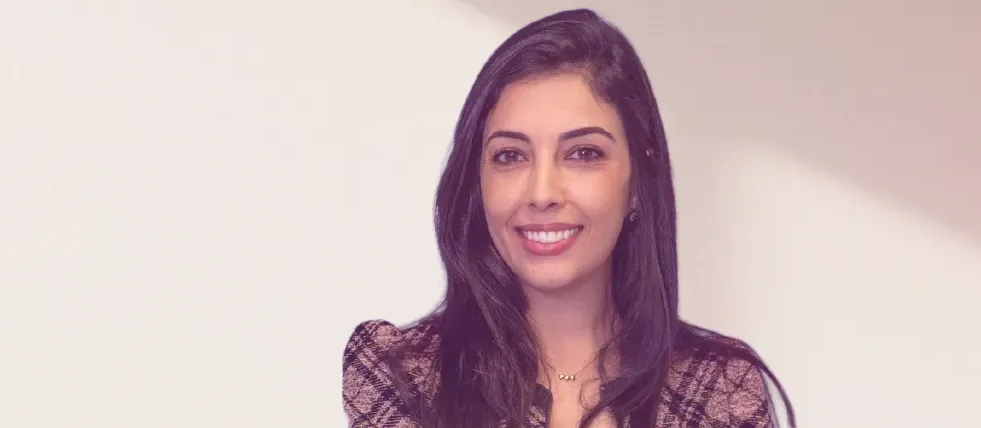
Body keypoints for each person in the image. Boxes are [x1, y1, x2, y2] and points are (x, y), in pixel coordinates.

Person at [340, 9, 796, 428]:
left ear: (638, 182)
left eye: (583, 153)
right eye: (510, 155)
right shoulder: (403, 375)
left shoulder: (720, 390)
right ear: (477, 182)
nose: (542, 193)